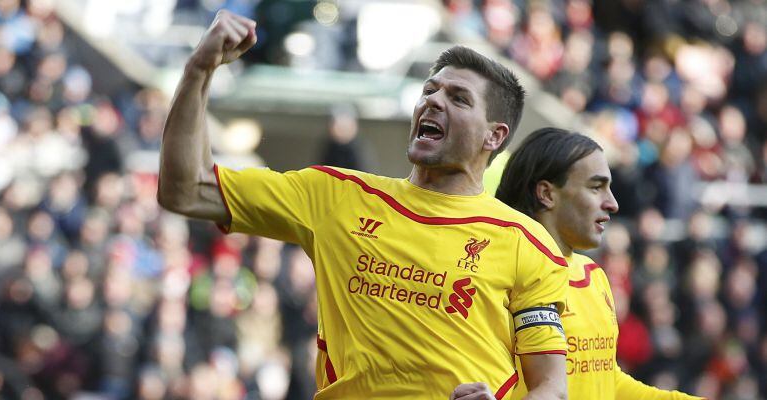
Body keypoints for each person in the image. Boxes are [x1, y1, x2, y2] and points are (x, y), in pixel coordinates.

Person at [158, 10, 569, 399]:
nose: (434, 101)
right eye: (430, 90)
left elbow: (551, 386)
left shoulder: (526, 243)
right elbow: (187, 190)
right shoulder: (333, 196)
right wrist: (199, 70)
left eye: (459, 98)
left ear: (494, 136)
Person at [451, 127, 704, 399]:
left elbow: (606, 381)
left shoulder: (594, 275)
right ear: (547, 194)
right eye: (596, 187)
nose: (613, 203)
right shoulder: (498, 278)